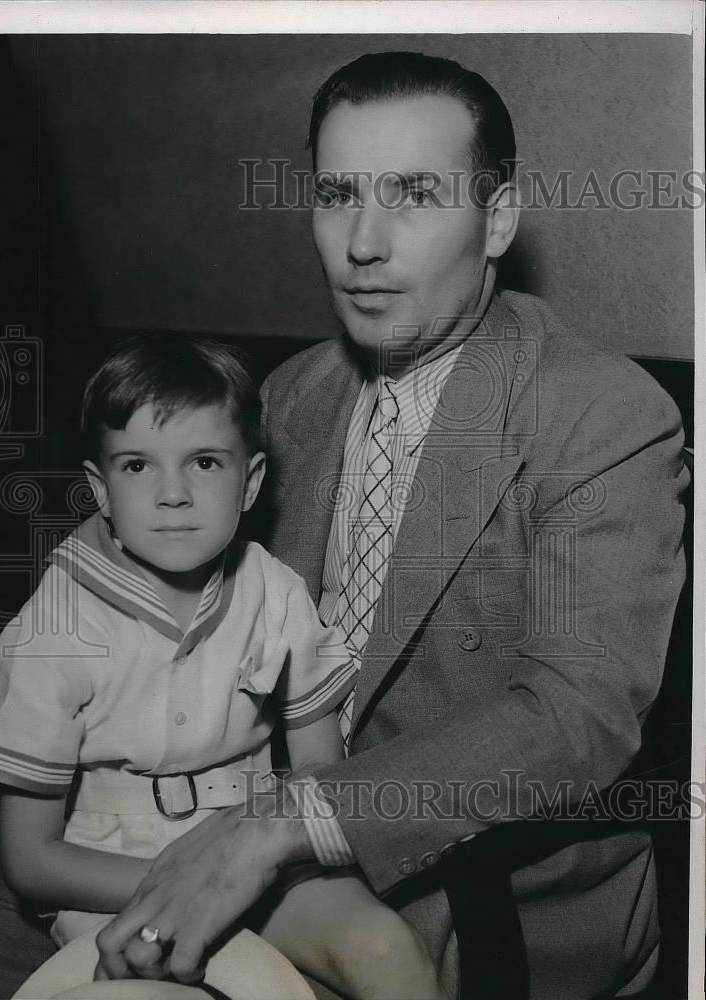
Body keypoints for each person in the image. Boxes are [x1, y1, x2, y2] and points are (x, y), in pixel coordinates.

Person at [93, 52, 690, 999]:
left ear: (496, 219)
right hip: (262, 850)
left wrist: (279, 823)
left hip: (480, 891)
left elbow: (577, 718)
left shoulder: (600, 413)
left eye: (413, 194)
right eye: (338, 195)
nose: (362, 243)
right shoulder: (290, 398)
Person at [0, 332, 445, 1000]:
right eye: (138, 466)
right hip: (116, 879)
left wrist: (250, 865)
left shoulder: (275, 591)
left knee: (386, 948)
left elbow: (319, 774)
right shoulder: (55, 631)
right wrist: (187, 884)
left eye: (203, 462)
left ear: (250, 480)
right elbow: (29, 863)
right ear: (101, 488)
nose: (173, 494)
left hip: (260, 856)